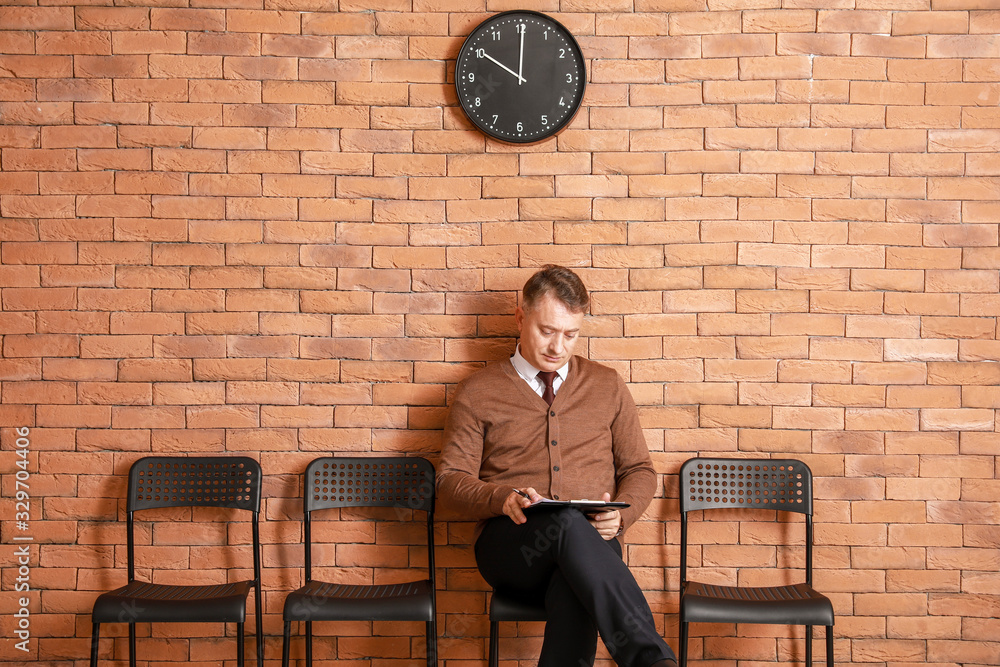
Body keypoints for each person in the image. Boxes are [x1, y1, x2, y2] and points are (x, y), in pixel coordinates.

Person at [437, 265, 677, 667]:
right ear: (520, 317)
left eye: (571, 334)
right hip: (512, 548)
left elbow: (639, 469)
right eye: (547, 330)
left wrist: (621, 518)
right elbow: (449, 481)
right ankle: (653, 661)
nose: (558, 346)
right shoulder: (478, 391)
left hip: (592, 549)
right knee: (568, 526)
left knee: (575, 580)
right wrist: (502, 498)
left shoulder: (607, 385)